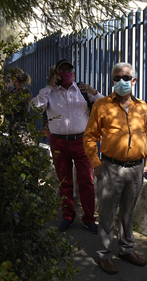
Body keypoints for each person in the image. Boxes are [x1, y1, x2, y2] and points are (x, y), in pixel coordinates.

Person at [83, 62, 147, 275]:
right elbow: (89, 138)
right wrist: (96, 165)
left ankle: (126, 249)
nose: (121, 82)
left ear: (133, 81)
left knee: (128, 212)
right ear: (112, 81)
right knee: (106, 213)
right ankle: (104, 254)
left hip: (136, 169)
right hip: (110, 168)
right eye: (117, 78)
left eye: (126, 78)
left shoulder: (142, 106)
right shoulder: (102, 105)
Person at [32, 59, 103, 233]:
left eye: (68, 69)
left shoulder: (83, 90)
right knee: (64, 181)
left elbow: (105, 105)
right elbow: (36, 107)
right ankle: (67, 216)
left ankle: (88, 218)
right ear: (56, 73)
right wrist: (49, 87)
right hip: (59, 142)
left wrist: (95, 92)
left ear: (73, 71)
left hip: (82, 141)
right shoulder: (50, 92)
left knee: (86, 180)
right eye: (61, 69)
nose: (65, 72)